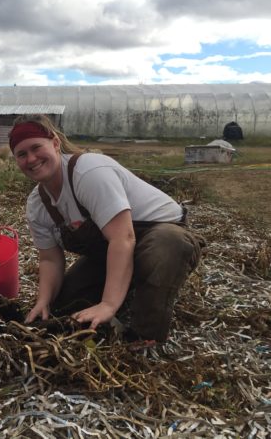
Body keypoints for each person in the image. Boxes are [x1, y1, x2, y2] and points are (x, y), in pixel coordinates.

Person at [11, 115, 204, 343]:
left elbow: (123, 238)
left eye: (36, 147)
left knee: (166, 244)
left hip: (161, 233)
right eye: (22, 154)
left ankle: (143, 336)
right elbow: (50, 260)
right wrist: (44, 300)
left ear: (55, 143)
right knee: (64, 305)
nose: (31, 159)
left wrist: (108, 304)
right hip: (110, 249)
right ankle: (127, 282)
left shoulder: (87, 172)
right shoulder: (37, 204)